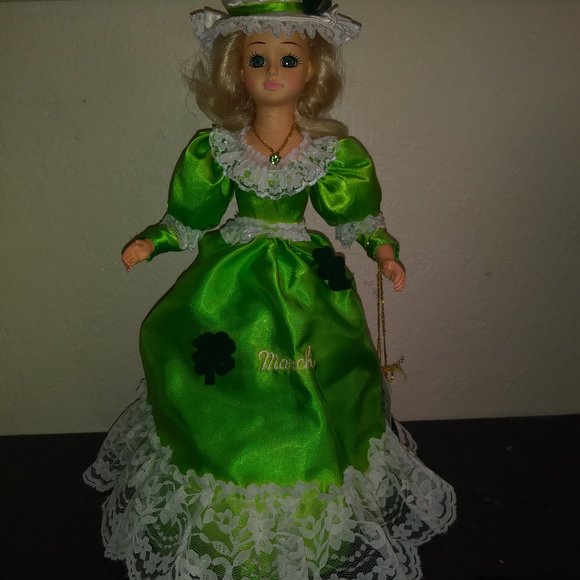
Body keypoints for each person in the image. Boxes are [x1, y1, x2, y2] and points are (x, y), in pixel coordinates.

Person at [84, 1, 456, 578]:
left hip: (306, 281)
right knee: (226, 384)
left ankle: (311, 518)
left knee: (314, 383)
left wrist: (383, 252)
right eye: (258, 59)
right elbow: (190, 217)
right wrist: (151, 242)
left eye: (289, 59)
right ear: (237, 70)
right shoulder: (218, 149)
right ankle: (226, 522)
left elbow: (356, 217)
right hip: (234, 281)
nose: (273, 71)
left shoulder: (330, 153)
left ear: (312, 71)